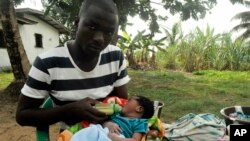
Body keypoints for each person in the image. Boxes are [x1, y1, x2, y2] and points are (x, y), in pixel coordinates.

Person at [16, 0, 130, 131]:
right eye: (92, 27)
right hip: (71, 135)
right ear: (77, 23)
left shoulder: (115, 56)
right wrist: (69, 111)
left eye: (109, 32)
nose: (100, 38)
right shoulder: (48, 63)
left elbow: (120, 104)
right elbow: (22, 115)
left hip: (110, 132)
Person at [70, 96, 155, 141]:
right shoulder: (117, 114)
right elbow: (96, 110)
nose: (124, 103)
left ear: (139, 109)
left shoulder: (140, 122)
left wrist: (116, 139)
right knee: (91, 131)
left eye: (129, 101)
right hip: (101, 131)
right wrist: (108, 123)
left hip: (118, 138)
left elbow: (135, 140)